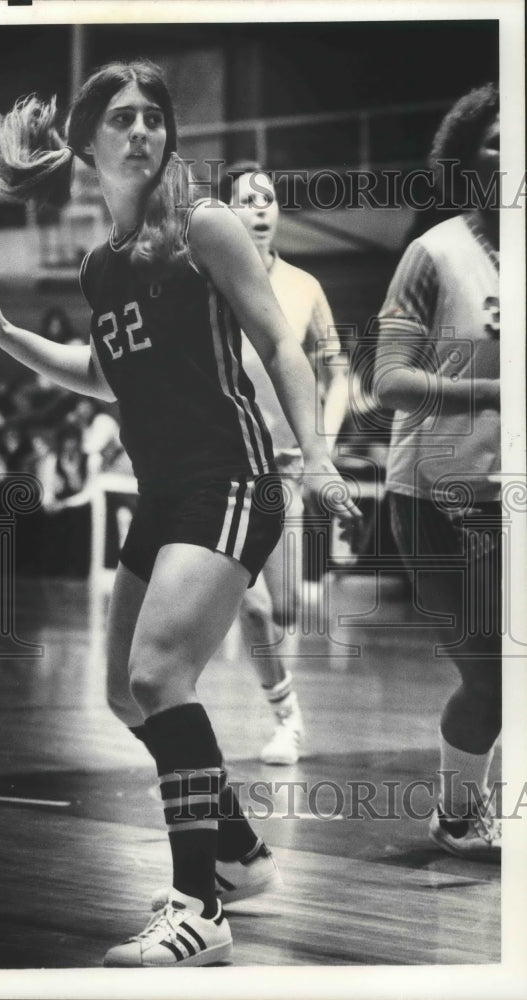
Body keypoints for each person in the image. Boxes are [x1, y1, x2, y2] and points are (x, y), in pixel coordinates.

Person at [0, 59, 360, 967]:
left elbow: (279, 345)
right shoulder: (102, 267)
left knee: (156, 674)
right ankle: (242, 854)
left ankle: (199, 907)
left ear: (166, 137)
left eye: (153, 118)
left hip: (232, 482)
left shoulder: (205, 227)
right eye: (122, 118)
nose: (141, 132)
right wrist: (8, 337)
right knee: (118, 691)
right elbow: (101, 376)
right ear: (90, 141)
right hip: (165, 493)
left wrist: (321, 454)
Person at [373, 83, 501, 859]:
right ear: (464, 156)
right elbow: (385, 381)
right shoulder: (433, 253)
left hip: (508, 497)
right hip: (432, 499)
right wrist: (491, 390)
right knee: (492, 680)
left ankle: (465, 812)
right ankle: (455, 816)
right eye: (494, 139)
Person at [219, 161, 348, 764]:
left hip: (288, 467)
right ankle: (286, 717)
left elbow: (338, 372)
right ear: (226, 214)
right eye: (247, 201)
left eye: (268, 199)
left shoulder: (304, 287)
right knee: (252, 602)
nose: (262, 210)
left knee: (288, 604)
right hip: (222, 463)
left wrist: (325, 442)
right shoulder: (207, 286)